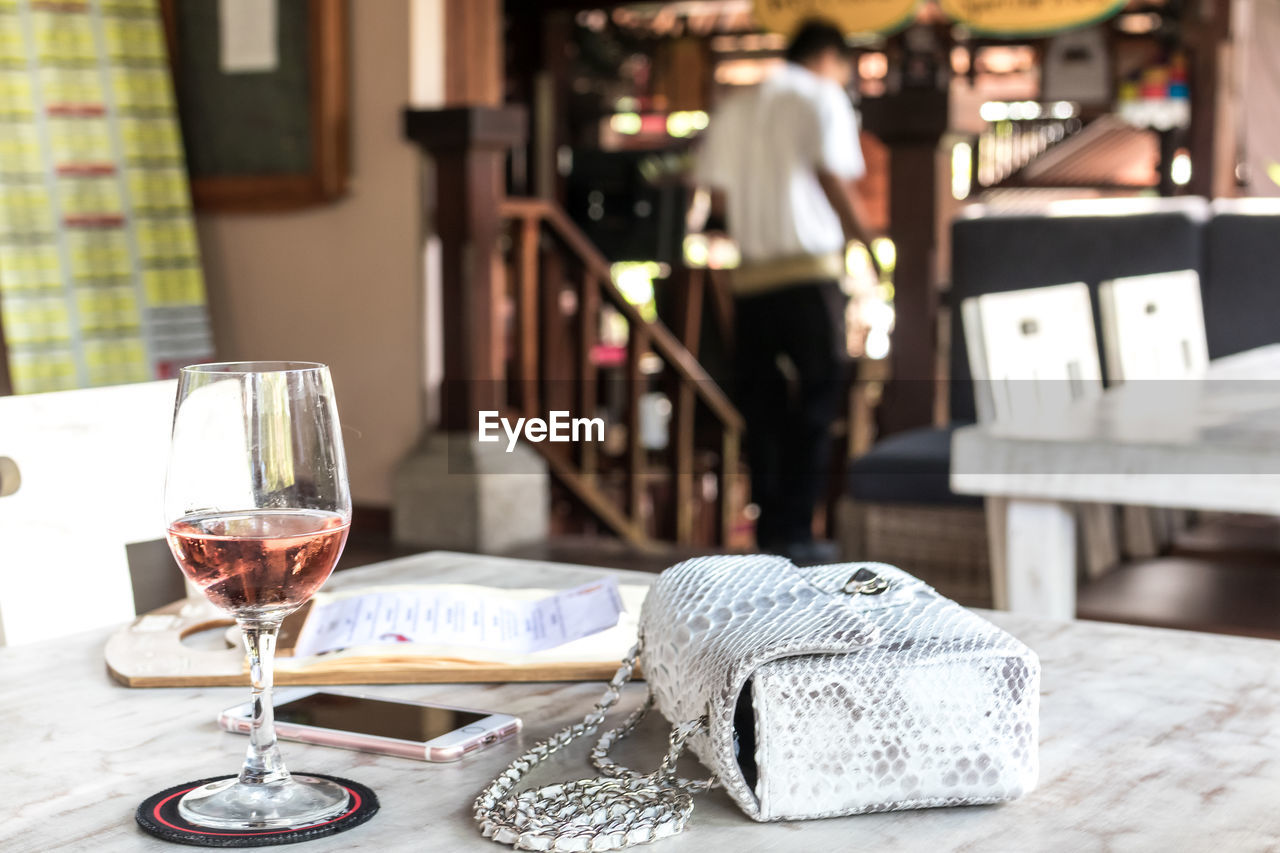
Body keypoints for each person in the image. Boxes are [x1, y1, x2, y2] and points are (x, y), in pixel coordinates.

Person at [694, 19, 874, 564]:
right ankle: (797, 530)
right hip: (809, 272)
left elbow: (717, 198)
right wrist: (866, 242)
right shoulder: (822, 97)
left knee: (762, 407)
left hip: (751, 279)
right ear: (832, 58)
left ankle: (771, 529)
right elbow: (832, 176)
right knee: (818, 402)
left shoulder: (739, 106)